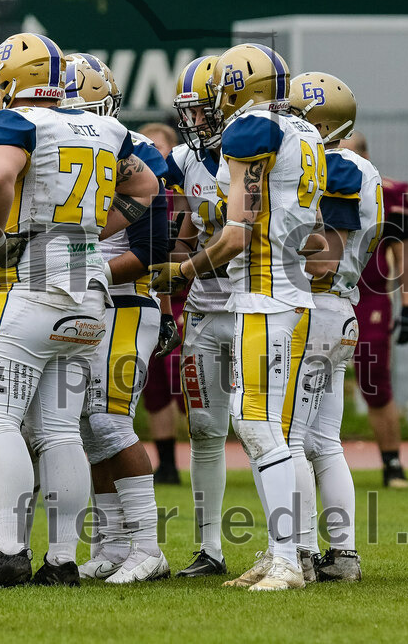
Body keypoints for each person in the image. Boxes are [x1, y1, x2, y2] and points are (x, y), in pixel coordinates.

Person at [0, 32, 157, 590]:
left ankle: (7, 551)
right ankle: (62, 559)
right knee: (61, 430)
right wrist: (90, 231)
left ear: (7, 81)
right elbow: (146, 185)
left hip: (32, 288)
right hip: (89, 297)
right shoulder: (105, 129)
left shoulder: (18, 122)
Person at [152, 42, 326, 591]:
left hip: (262, 294)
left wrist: (182, 272)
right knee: (271, 430)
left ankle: (288, 560)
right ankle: (285, 554)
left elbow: (235, 235)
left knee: (255, 424)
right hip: (291, 293)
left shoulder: (250, 130)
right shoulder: (305, 131)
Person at [63, 54, 171, 584]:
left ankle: (148, 548)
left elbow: (153, 248)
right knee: (89, 426)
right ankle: (111, 545)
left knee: (109, 421)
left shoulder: (139, 155)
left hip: (125, 300)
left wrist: (92, 272)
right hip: (84, 301)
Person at [289, 72, 380, 583]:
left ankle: (299, 551)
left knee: (292, 438)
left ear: (318, 123)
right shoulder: (360, 166)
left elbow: (325, 255)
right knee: (324, 441)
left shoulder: (337, 166)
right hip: (337, 307)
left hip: (316, 305)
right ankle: (342, 554)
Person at [162, 55, 236, 578]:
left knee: (268, 429)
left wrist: (186, 264)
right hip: (207, 310)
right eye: (187, 111)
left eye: (201, 110)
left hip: (259, 307)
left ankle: (294, 546)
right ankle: (210, 549)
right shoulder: (187, 161)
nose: (193, 122)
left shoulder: (259, 153)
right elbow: (184, 228)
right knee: (206, 429)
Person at [339, 131, 408, 488]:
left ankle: (392, 463)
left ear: (366, 156)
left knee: (374, 382)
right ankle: (310, 462)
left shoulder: (385, 191)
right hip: (323, 293)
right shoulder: (316, 182)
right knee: (312, 381)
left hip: (369, 295)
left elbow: (402, 252)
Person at [137, 121, 187, 485]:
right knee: (153, 384)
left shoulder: (182, 193)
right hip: (147, 292)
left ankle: (208, 448)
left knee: (183, 376)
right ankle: (166, 463)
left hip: (184, 293)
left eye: (160, 146)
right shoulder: (134, 189)